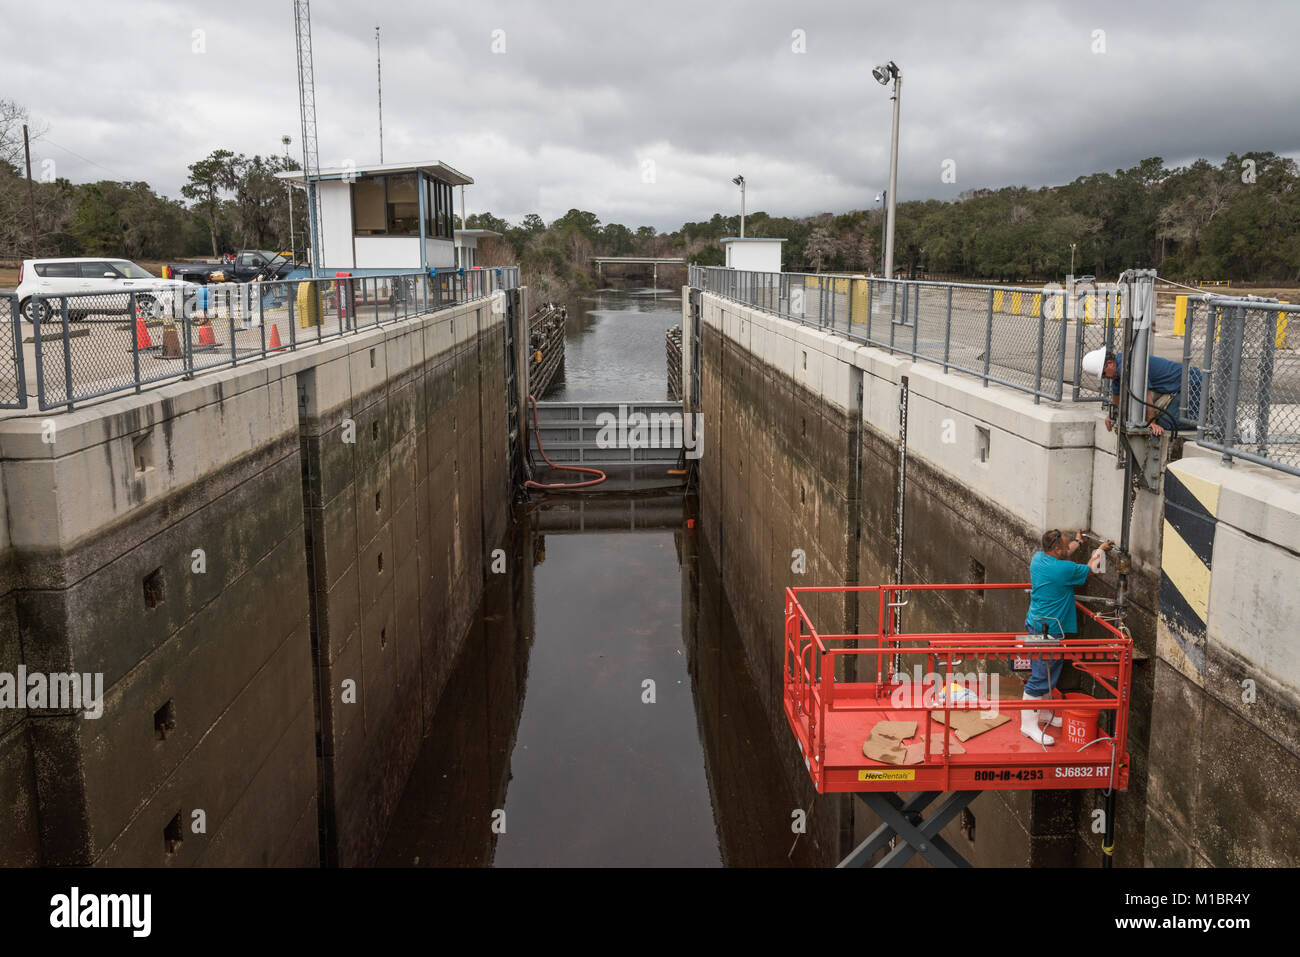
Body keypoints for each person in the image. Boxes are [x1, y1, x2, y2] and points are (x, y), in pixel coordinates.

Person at [1022, 529, 1112, 745]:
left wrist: (1078, 542)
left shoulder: (1039, 558)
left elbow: (1066, 552)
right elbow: (1090, 569)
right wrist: (1100, 550)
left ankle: (1042, 713)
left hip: (1037, 623)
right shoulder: (1063, 570)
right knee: (1041, 676)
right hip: (1048, 631)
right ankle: (1027, 724)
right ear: (1056, 549)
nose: (1067, 547)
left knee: (1049, 673)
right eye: (1065, 545)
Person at [1098, 350, 1202, 437]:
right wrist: (1112, 416)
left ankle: (1209, 421)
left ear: (1110, 364)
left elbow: (1145, 396)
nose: (1105, 377)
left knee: (1168, 423)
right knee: (1163, 419)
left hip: (1190, 383)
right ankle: (1203, 413)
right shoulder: (1117, 373)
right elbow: (1117, 400)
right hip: (1174, 389)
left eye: (1104, 373)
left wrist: (1151, 422)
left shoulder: (1127, 367)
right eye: (1102, 377)